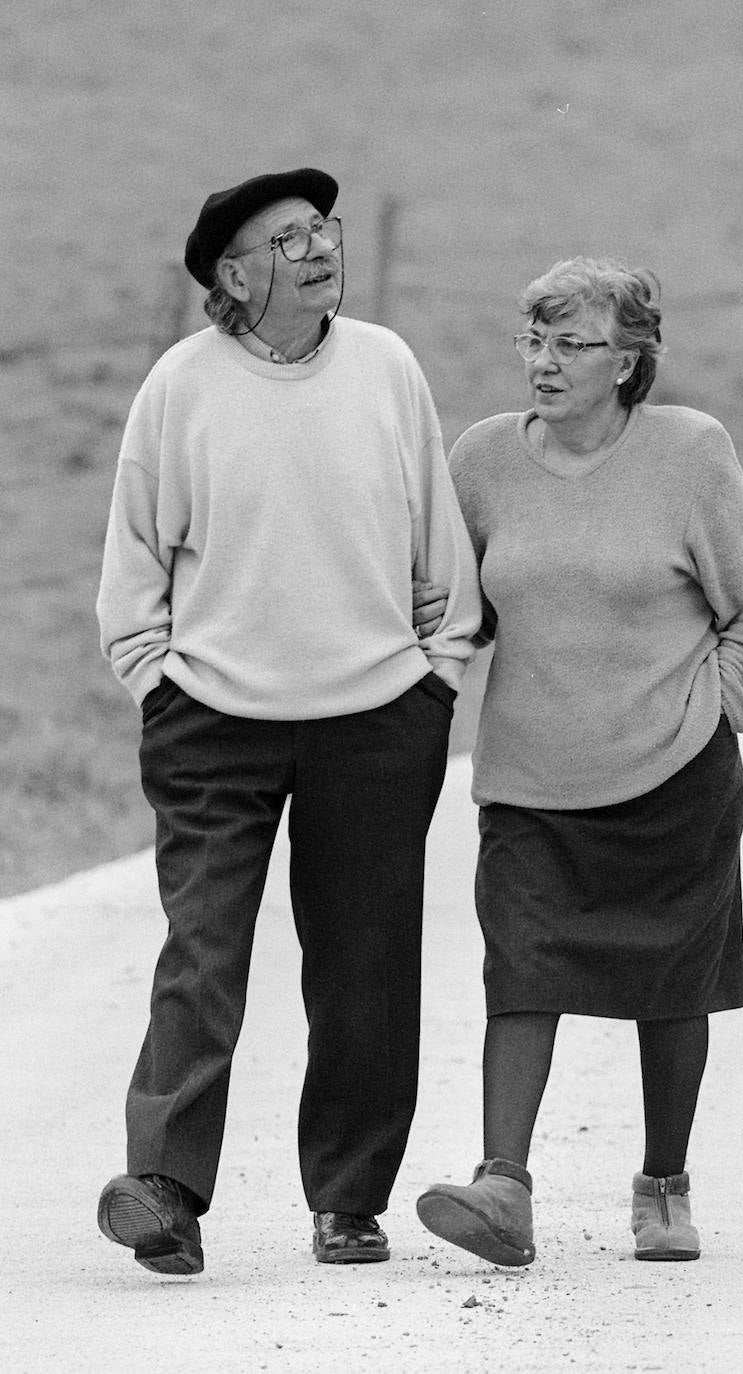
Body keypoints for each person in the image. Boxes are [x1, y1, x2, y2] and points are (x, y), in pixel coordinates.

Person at [95, 167, 481, 1275]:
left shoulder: (386, 367)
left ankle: (348, 1201)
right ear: (233, 274)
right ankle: (163, 1190)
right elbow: (134, 556)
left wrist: (435, 677)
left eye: (322, 230)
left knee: (363, 966)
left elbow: (435, 542)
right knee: (202, 950)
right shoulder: (181, 384)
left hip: (376, 720)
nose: (317, 249)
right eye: (286, 238)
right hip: (210, 718)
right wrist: (153, 679)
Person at [415, 256, 743, 1265]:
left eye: (570, 344)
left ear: (627, 361)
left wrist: (714, 718)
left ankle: (663, 1184)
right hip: (528, 780)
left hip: (673, 774)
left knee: (672, 984)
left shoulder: (689, 453)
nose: (542, 361)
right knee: (520, 972)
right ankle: (503, 1188)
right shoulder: (483, 459)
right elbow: (452, 609)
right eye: (532, 339)